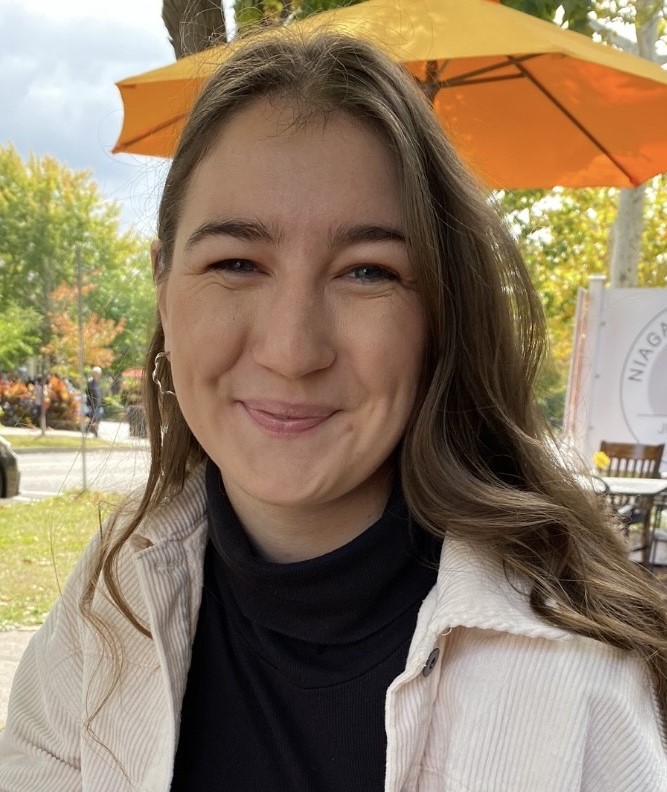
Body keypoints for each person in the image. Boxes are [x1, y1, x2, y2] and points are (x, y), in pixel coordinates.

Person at [1, 31, 666, 792]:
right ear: (164, 287)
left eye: (367, 272)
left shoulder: (576, 682)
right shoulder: (110, 595)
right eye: (236, 263)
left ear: (439, 313)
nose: (292, 350)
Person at [85, 365, 104, 437]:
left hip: (99, 405)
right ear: (94, 374)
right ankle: (91, 431)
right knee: (95, 419)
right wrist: (91, 404)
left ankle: (91, 430)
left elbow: (100, 393)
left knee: (97, 418)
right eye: (98, 373)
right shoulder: (90, 382)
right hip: (93, 405)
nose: (99, 375)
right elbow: (89, 394)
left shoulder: (99, 383)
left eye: (100, 374)